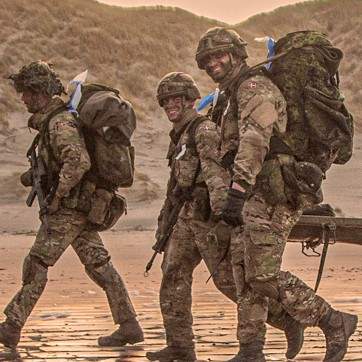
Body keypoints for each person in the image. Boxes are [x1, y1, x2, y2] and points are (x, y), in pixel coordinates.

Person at [195, 27, 358, 361]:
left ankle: (332, 320)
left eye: (219, 55)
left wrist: (237, 191)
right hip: (254, 191)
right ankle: (251, 348)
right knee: (243, 274)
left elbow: (255, 143)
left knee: (261, 273)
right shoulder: (231, 95)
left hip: (273, 191)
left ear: (237, 54)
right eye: (207, 59)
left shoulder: (254, 88)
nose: (213, 63)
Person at [146, 72, 305, 362]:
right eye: (166, 100)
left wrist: (225, 215)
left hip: (207, 217)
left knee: (229, 282)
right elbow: (176, 183)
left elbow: (215, 174)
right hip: (185, 216)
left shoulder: (203, 130)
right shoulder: (179, 134)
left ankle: (287, 320)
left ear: (191, 100)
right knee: (172, 275)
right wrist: (164, 221)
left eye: (177, 99)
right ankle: (180, 345)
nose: (171, 104)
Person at [0, 61, 143, 349]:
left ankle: (12, 326)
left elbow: (78, 161)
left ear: (40, 92)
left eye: (27, 93)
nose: (24, 99)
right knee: (99, 265)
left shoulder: (59, 121)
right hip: (81, 207)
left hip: (70, 209)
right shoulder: (57, 119)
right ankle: (129, 324)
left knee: (37, 263)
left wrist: (58, 196)